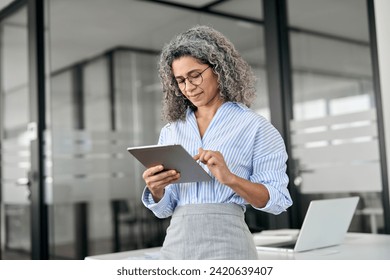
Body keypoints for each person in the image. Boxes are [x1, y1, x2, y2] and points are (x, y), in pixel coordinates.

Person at [141, 25, 292, 260]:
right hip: (176, 246)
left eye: (195, 75)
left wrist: (230, 179)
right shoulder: (172, 131)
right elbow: (166, 209)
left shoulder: (256, 127)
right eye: (180, 81)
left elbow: (278, 200)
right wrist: (157, 190)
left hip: (229, 247)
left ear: (219, 70)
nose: (189, 87)